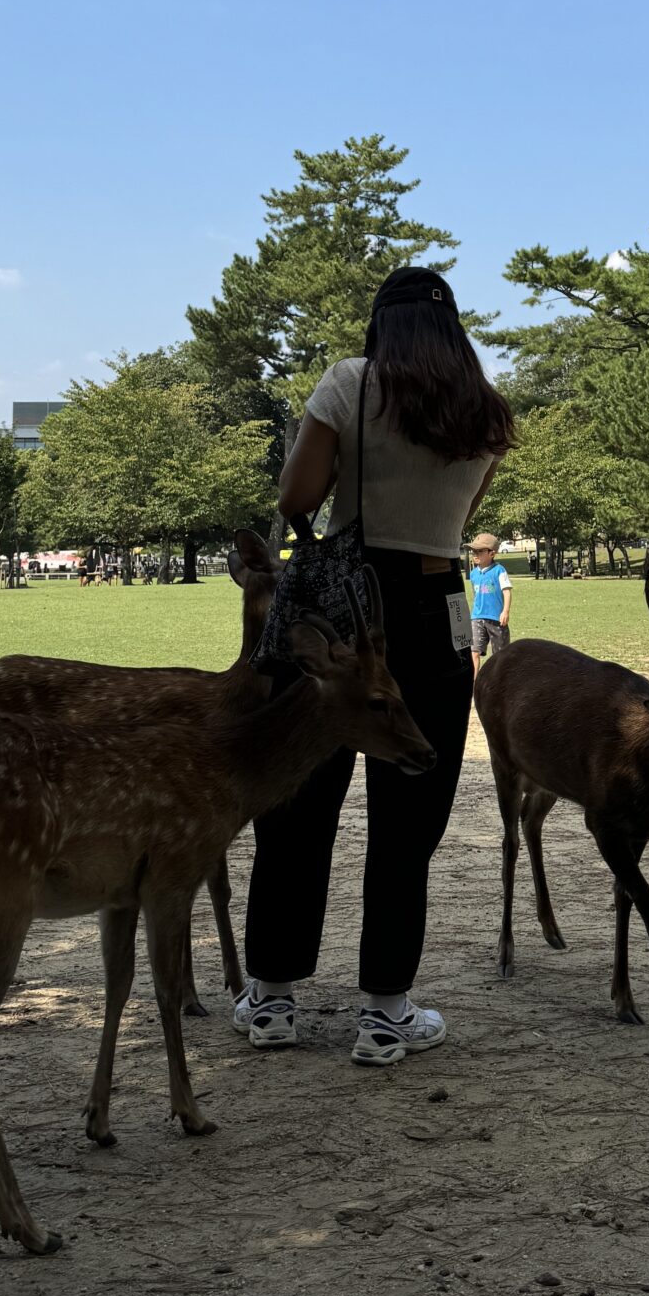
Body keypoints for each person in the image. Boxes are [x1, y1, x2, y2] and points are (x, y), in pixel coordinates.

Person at [238, 266, 514, 1068]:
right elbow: (457, 519)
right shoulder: (487, 412)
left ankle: (272, 998)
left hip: (342, 612)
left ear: (380, 323)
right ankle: (386, 1011)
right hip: (434, 613)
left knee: (296, 806)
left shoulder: (350, 383)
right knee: (410, 819)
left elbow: (298, 493)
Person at [466, 531, 510, 670]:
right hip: (477, 617)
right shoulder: (473, 574)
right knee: (474, 652)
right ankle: (474, 685)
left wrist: (505, 611)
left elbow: (507, 591)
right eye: (473, 551)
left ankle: (498, 684)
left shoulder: (499, 571)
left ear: (492, 553)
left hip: (496, 618)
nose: (475, 554)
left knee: (499, 656)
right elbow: (476, 594)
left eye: (479, 551)